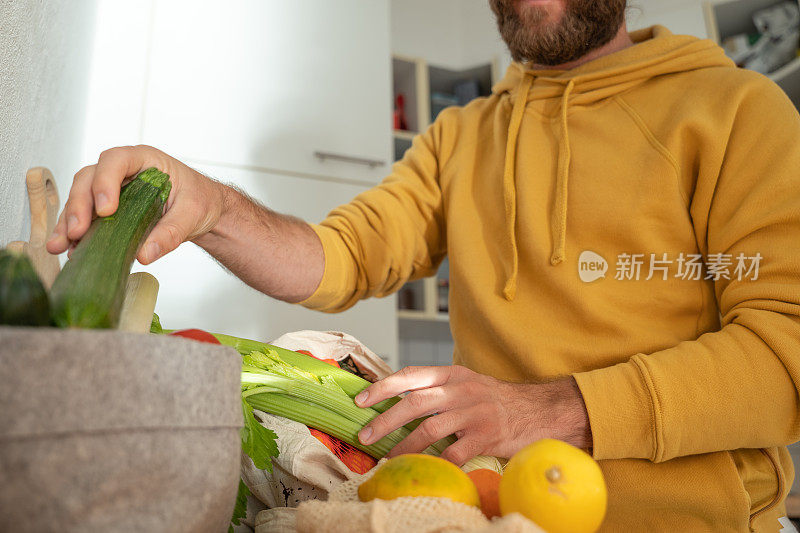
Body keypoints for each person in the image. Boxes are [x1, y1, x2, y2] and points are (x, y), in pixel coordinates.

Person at [47, 0, 800, 530]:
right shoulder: (459, 135)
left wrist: (541, 410)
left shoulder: (739, 110)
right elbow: (341, 255)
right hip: (483, 517)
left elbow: (785, 351)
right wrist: (213, 206)